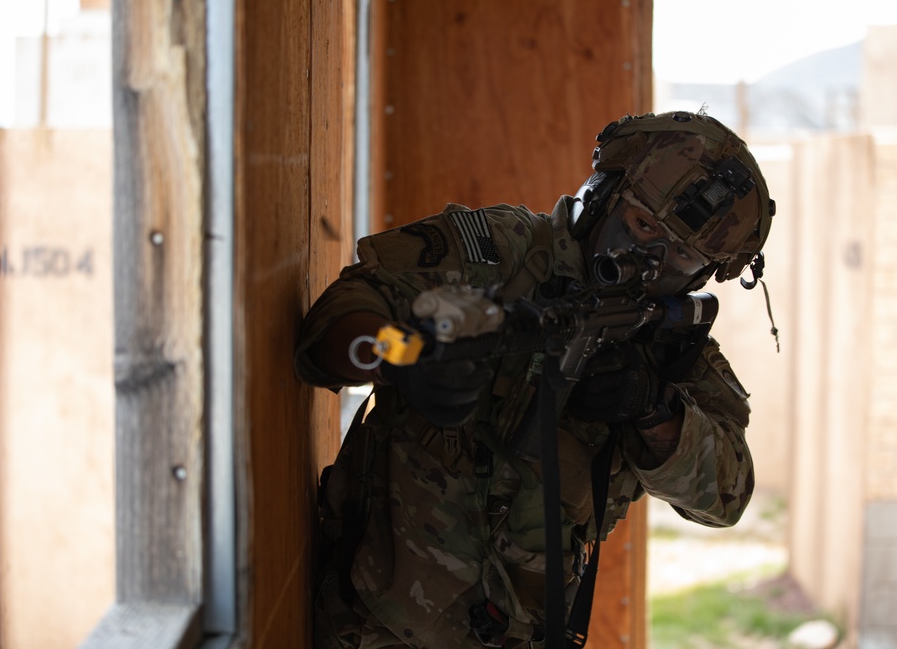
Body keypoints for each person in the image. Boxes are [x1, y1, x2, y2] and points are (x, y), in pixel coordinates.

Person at [295, 110, 775, 649]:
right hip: (374, 624)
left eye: (681, 255)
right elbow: (338, 320)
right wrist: (404, 356)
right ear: (602, 195)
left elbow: (727, 496)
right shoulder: (500, 253)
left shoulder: (672, 352)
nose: (648, 259)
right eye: (642, 225)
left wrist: (653, 410)